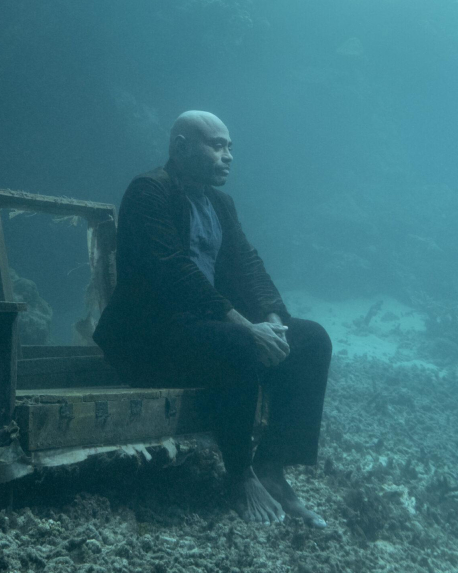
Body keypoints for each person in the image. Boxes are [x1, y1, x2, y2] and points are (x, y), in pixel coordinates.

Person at [93, 111, 332, 526]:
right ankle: (239, 474)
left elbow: (247, 265)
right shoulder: (148, 192)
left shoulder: (221, 202)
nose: (228, 156)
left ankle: (273, 468)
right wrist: (244, 325)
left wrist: (274, 321)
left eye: (230, 147)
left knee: (311, 339)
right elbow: (172, 271)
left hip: (201, 331)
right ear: (180, 146)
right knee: (240, 343)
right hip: (149, 339)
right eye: (216, 145)